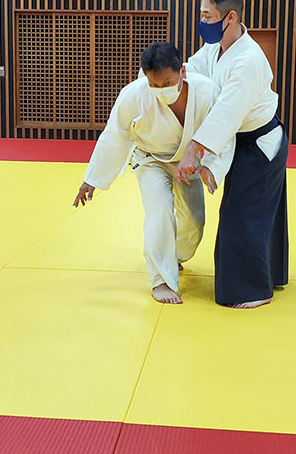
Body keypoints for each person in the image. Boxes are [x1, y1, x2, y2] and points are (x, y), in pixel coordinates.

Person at [74, 42, 232, 305]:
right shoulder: (133, 96)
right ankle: (160, 278)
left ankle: (174, 256)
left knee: (195, 220)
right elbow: (115, 136)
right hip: (149, 159)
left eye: (168, 82)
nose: (161, 90)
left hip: (188, 161)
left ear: (182, 71)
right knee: (159, 211)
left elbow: (222, 132)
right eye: (154, 85)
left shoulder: (206, 92)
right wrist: (92, 179)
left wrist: (210, 167)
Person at [176, 0, 288, 309]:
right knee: (253, 212)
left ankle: (252, 291)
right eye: (201, 15)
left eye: (207, 16)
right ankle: (269, 275)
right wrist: (172, 75)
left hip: (261, 144)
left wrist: (194, 152)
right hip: (242, 140)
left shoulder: (249, 59)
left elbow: (226, 113)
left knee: (243, 215)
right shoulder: (215, 49)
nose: (202, 22)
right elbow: (194, 70)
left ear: (230, 17)